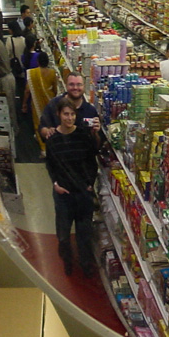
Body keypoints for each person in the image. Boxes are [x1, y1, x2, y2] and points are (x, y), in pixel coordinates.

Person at [45, 97, 102, 276]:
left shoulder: (83, 135)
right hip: (63, 195)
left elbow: (93, 159)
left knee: (84, 235)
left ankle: (85, 265)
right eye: (65, 114)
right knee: (63, 235)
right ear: (59, 115)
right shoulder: (53, 140)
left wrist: (89, 185)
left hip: (83, 194)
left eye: (72, 114)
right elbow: (50, 164)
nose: (69, 118)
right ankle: (67, 263)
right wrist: (55, 184)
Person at [38, 72, 102, 142]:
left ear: (84, 86)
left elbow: (96, 143)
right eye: (71, 84)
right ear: (66, 86)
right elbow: (42, 127)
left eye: (79, 84)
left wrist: (96, 132)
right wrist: (47, 132)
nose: (75, 88)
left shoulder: (90, 111)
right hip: (58, 149)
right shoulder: (54, 104)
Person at [22, 51, 59, 156]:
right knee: (51, 123)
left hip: (37, 102)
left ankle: (43, 148)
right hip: (50, 101)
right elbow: (55, 89)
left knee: (38, 122)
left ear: (38, 61)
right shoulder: (52, 73)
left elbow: (27, 90)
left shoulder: (32, 73)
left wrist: (24, 103)